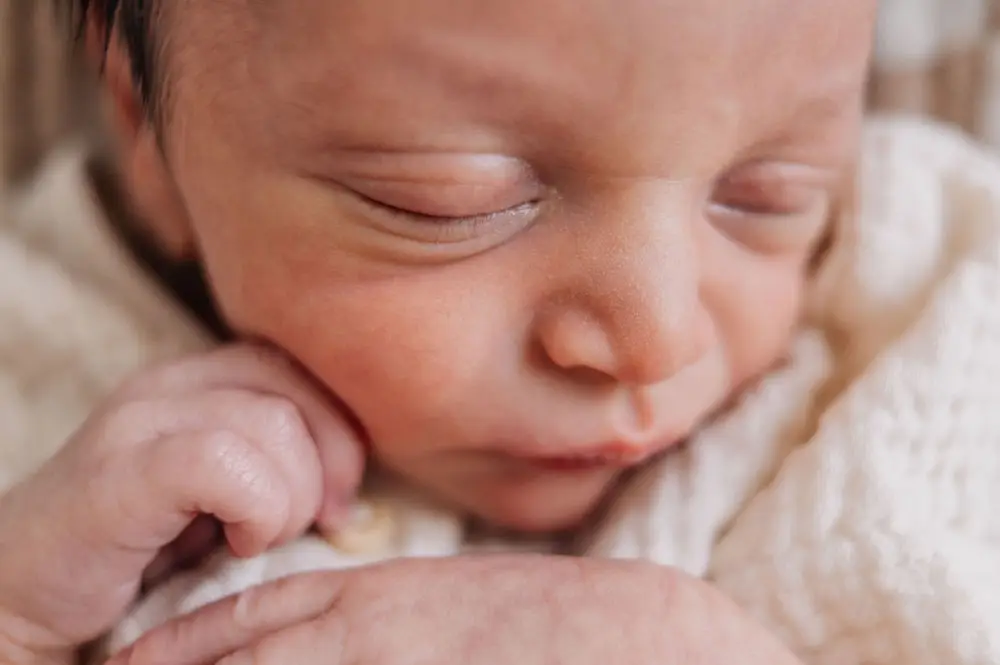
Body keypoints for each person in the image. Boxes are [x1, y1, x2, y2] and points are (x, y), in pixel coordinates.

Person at [4, 0, 1000, 663]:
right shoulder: (36, 364)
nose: (654, 339)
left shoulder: (926, 305)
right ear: (145, 128)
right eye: (453, 201)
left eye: (765, 196)